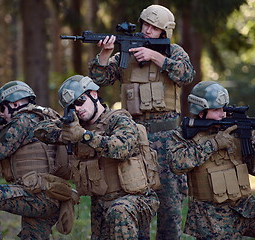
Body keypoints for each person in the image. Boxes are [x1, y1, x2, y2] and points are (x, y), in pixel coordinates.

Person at [88, 4, 196, 239]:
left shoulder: (173, 51)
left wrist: (156, 57)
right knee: (135, 195)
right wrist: (105, 54)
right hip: (134, 138)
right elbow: (100, 79)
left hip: (167, 139)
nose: (147, 30)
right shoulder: (125, 53)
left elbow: (186, 74)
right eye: (145, 24)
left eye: (154, 27)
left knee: (169, 204)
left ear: (164, 32)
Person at [34, 75, 160, 239]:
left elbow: (123, 148)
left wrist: (85, 136)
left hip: (135, 199)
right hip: (101, 202)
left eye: (80, 101)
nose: (77, 109)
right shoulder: (76, 123)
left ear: (93, 94)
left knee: (119, 210)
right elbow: (40, 131)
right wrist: (65, 134)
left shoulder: (118, 119)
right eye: (71, 106)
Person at [0, 81, 77, 240]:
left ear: (16, 103)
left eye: (2, 108)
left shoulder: (22, 120)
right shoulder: (44, 116)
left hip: (38, 195)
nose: (1, 113)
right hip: (53, 194)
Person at [167, 81, 255, 239]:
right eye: (216, 110)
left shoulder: (236, 130)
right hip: (210, 216)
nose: (223, 114)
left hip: (245, 208)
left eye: (224, 109)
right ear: (200, 110)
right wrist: (214, 144)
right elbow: (176, 163)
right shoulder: (184, 135)